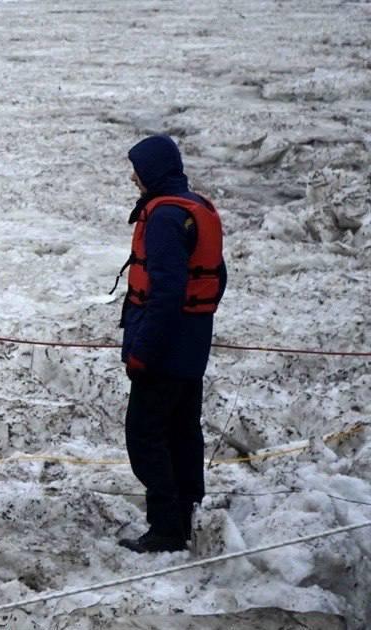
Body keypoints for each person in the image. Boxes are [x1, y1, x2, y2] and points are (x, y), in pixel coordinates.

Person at [116, 135, 227, 553]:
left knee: (144, 435)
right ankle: (186, 513)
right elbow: (217, 274)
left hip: (164, 347)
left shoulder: (164, 217)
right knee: (182, 431)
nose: (133, 177)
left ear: (153, 171)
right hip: (192, 344)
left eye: (137, 169)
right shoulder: (196, 208)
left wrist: (143, 350)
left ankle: (165, 526)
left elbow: (165, 292)